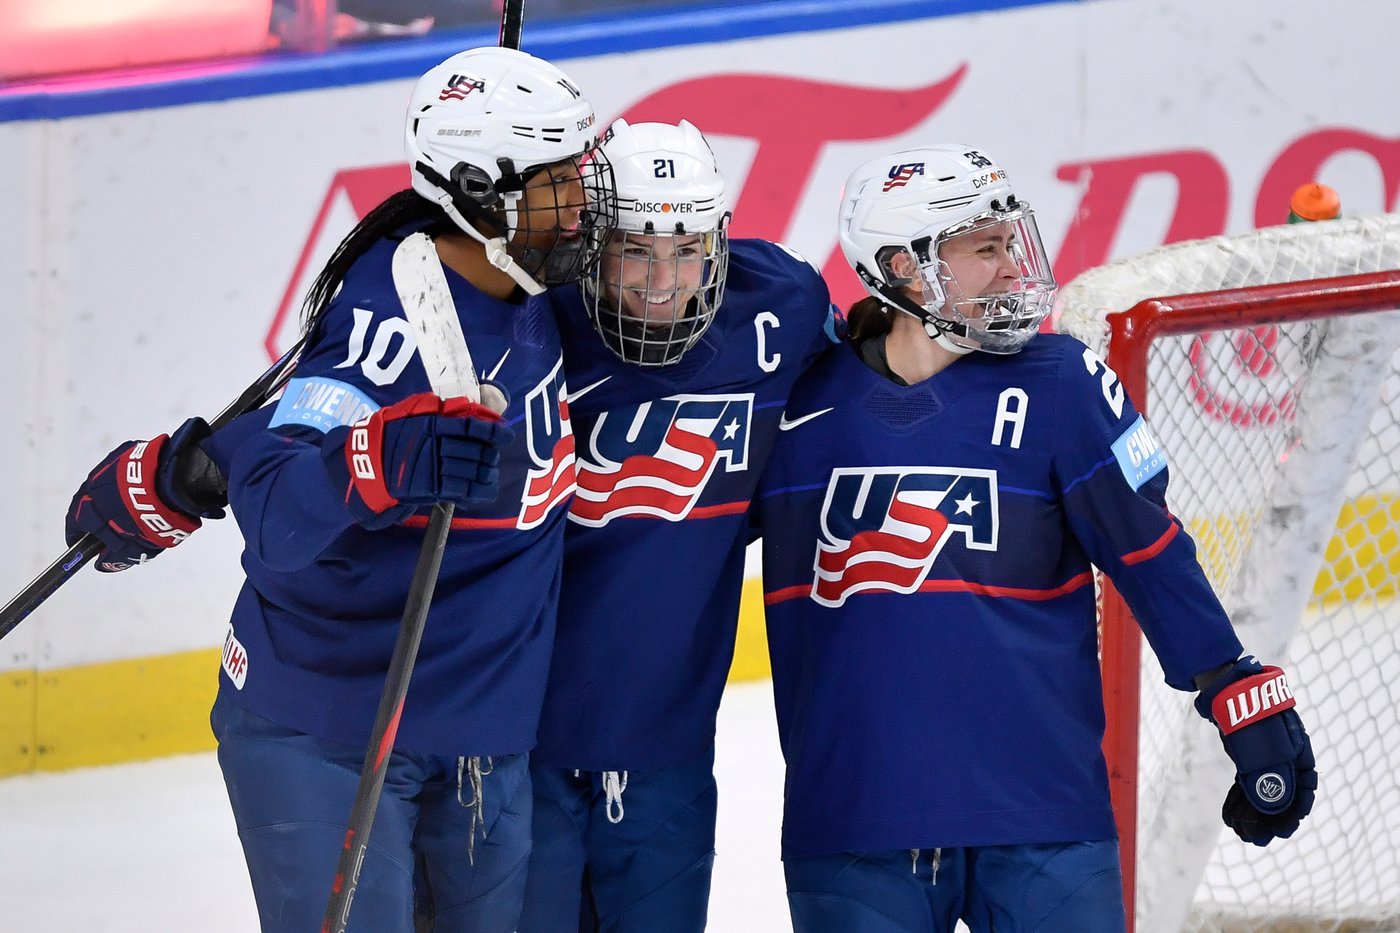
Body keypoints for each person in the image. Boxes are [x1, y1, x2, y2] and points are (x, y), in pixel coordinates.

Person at [65, 46, 616, 932]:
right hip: (330, 733)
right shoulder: (387, 331)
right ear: (482, 192)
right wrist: (383, 459)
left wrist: (194, 466)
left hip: (484, 736)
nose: (583, 205)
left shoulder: (527, 288)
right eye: (560, 184)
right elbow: (283, 513)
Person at [750, 144, 1317, 932]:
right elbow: (673, 551)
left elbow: (1149, 551)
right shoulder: (793, 407)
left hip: (1045, 817)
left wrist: (1232, 687)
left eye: (1010, 241)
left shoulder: (1062, 383)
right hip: (854, 825)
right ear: (906, 270)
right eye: (986, 249)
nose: (1014, 267)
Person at [518, 119, 837, 932]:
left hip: (670, 746)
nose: (663, 280)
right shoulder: (528, 325)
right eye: (635, 250)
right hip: (517, 745)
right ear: (591, 242)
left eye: (686, 248)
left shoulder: (783, 309)